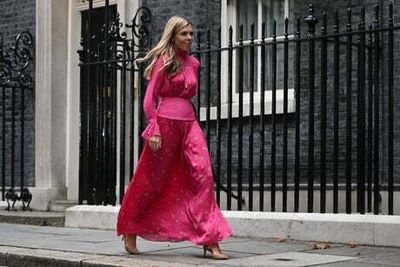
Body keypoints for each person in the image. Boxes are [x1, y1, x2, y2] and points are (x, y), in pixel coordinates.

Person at [116, 16, 233, 260]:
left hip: (189, 125)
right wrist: (154, 128)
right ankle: (131, 227)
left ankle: (209, 238)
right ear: (173, 36)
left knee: (203, 175)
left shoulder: (194, 63)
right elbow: (149, 100)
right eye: (184, 34)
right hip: (165, 125)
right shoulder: (164, 62)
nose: (190, 38)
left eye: (191, 33)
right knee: (152, 180)